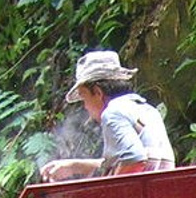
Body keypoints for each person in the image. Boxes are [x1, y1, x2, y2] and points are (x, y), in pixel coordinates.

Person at [39, 49, 175, 182]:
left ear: (98, 93)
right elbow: (126, 161)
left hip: (141, 197)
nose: (85, 106)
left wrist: (109, 192)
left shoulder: (112, 113)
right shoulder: (148, 110)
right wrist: (74, 166)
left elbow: (135, 158)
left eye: (84, 97)